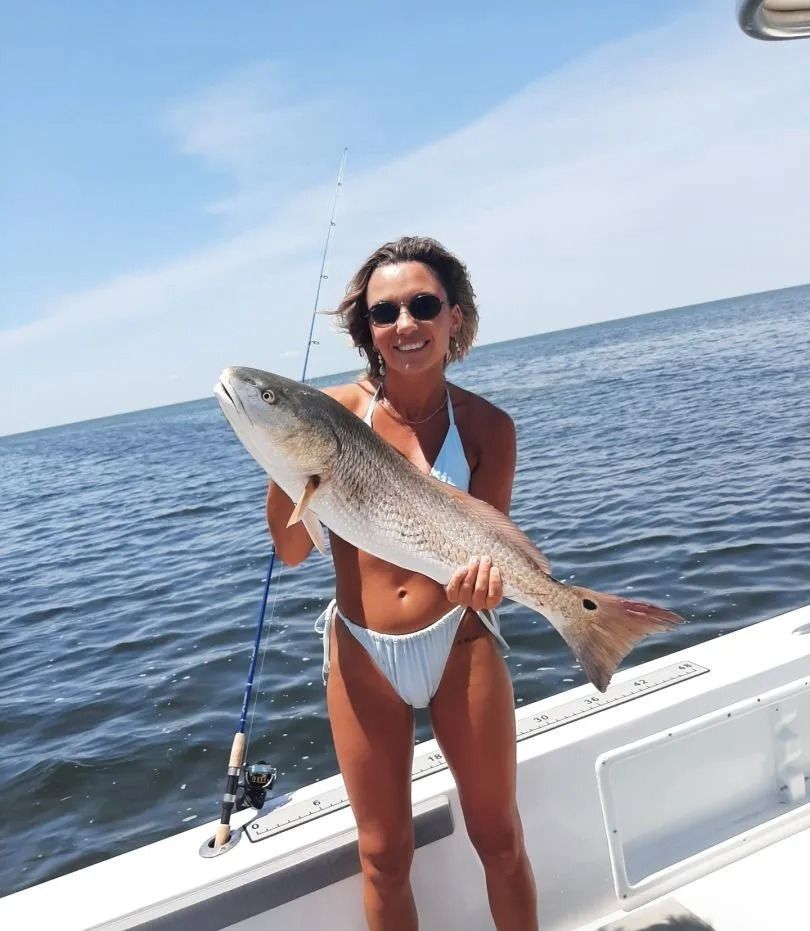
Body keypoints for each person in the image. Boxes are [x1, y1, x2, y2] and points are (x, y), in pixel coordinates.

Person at [265, 236, 538, 931]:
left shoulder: (487, 428)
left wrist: (490, 584)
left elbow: (492, 545)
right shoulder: (327, 416)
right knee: (383, 856)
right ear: (368, 331)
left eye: (423, 305)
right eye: (385, 312)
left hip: (462, 640)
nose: (405, 324)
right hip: (363, 652)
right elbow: (293, 550)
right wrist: (286, 464)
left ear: (454, 316)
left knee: (500, 838)